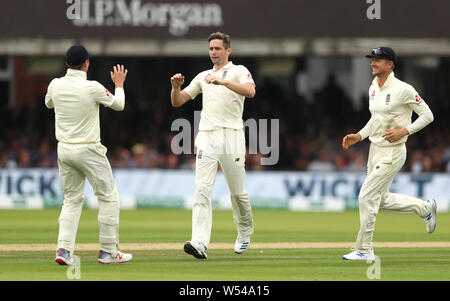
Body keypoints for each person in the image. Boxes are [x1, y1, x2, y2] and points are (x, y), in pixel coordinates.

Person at [341, 47, 436, 261]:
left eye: (378, 60)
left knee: (366, 196)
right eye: (372, 59)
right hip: (375, 150)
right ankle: (425, 208)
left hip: (392, 152)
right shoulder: (373, 87)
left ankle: (365, 250)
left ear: (390, 64)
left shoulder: (404, 89)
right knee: (380, 199)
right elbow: (376, 120)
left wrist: (405, 130)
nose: (373, 63)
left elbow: (428, 115)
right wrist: (360, 135)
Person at [170, 32, 256, 259]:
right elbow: (178, 101)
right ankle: (199, 242)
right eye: (211, 49)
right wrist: (175, 88)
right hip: (207, 136)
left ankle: (245, 230)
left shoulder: (239, 71)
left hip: (232, 136)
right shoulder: (202, 76)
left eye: (218, 48)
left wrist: (224, 81)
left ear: (228, 50)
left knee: (237, 193)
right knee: (202, 190)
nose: (214, 53)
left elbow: (251, 91)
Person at [46, 45, 132, 265]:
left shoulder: (55, 85)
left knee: (71, 200)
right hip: (88, 149)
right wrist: (119, 85)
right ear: (86, 63)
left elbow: (48, 103)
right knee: (108, 197)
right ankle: (108, 252)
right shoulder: (92, 87)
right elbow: (119, 105)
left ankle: (63, 250)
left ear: (67, 63)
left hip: (65, 149)